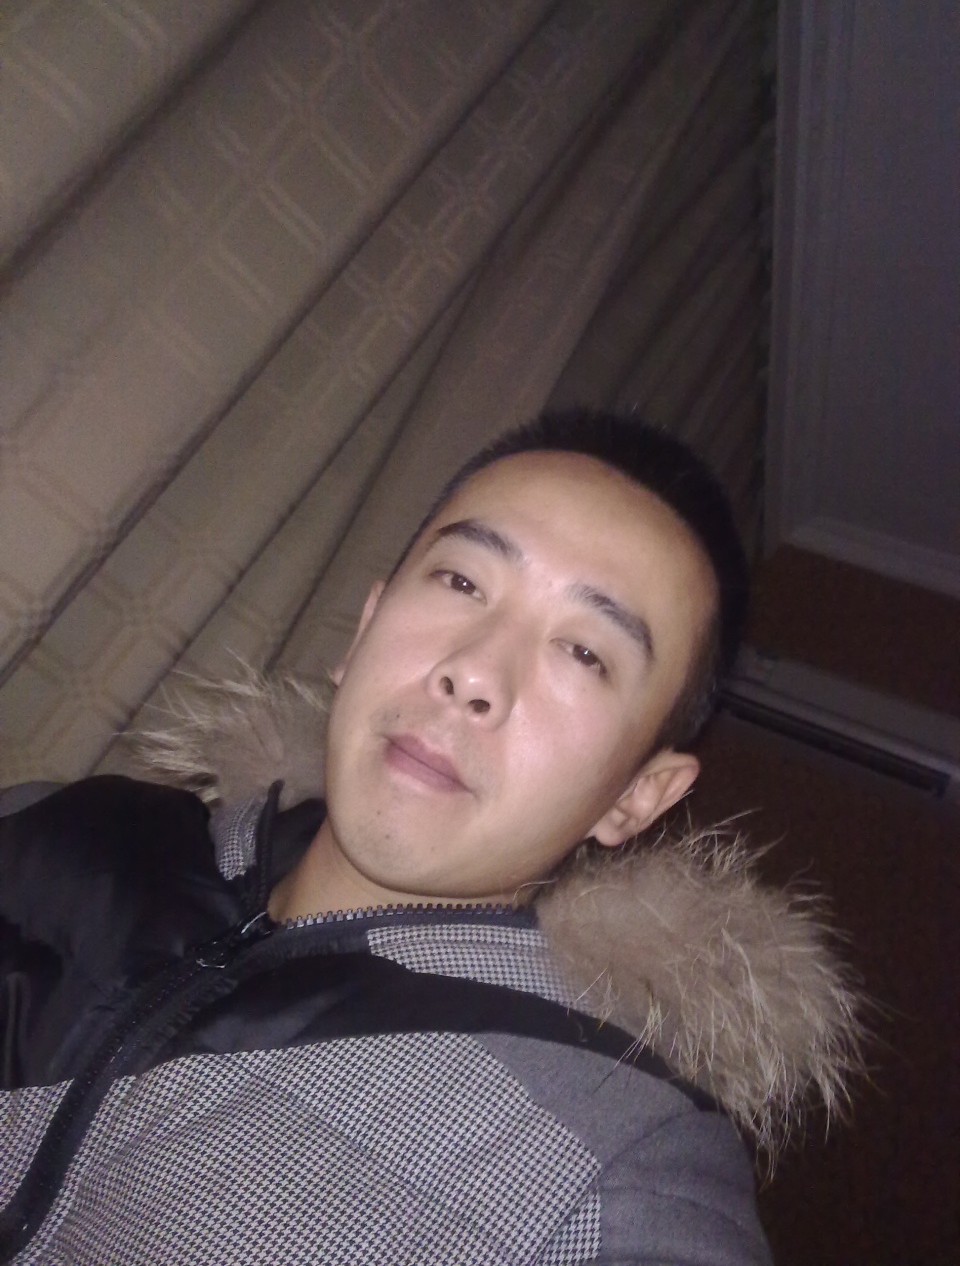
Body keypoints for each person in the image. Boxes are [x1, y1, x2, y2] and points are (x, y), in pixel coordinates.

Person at [0, 409, 861, 1264]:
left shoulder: (626, 1168)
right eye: (461, 581)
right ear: (365, 628)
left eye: (585, 654)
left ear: (636, 798)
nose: (474, 672)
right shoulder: (78, 829)